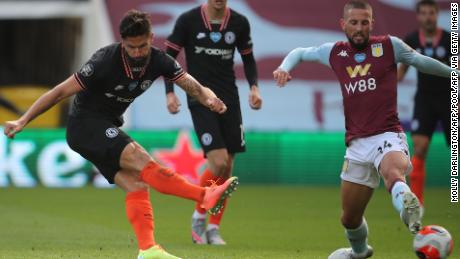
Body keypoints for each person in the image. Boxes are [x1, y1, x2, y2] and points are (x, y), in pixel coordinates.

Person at [3, 10, 239, 259]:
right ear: (122, 41)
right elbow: (60, 92)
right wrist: (23, 119)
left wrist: (211, 100)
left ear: (151, 37)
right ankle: (204, 195)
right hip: (85, 125)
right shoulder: (104, 60)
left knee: (136, 183)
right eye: (131, 47)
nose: (137, 52)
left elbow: (195, 88)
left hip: (106, 125)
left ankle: (148, 250)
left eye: (142, 46)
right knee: (140, 157)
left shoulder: (161, 61)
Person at [273, 1, 457, 258]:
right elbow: (301, 52)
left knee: (393, 173)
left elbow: (420, 61)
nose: (359, 28)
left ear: (372, 23)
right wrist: (284, 68)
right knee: (349, 218)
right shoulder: (334, 53)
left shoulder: (389, 46)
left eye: (364, 22)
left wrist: (453, 74)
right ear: (343, 24)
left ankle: (408, 206)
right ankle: (360, 252)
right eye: (354, 22)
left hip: (388, 135)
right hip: (357, 144)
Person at [163, 0, 262, 245]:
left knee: (227, 168)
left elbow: (248, 59)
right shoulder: (188, 20)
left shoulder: (239, 22)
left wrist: (254, 88)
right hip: (200, 97)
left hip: (229, 98)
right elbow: (168, 59)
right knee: (217, 162)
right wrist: (170, 93)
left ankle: (214, 229)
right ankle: (199, 214)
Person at [397, 0, 452, 205]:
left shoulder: (450, 40)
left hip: (449, 99)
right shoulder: (411, 39)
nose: (428, 17)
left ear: (437, 15)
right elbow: (401, 73)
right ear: (418, 16)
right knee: (419, 148)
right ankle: (416, 204)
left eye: (431, 13)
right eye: (424, 13)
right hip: (425, 100)